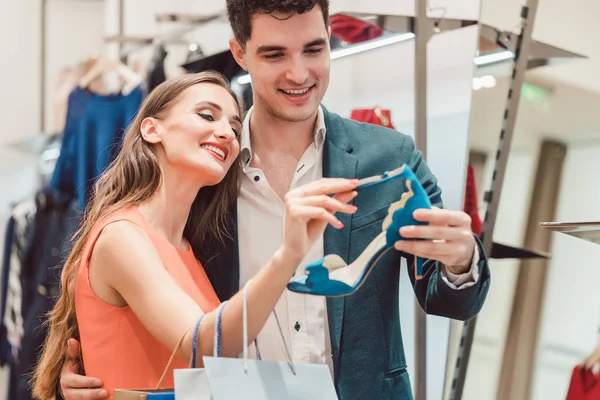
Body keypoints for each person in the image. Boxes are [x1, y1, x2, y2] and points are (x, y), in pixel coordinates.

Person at [56, 1, 492, 399]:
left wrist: (461, 259)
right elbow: (136, 300)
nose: (299, 74)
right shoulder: (204, 179)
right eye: (274, 54)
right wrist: (83, 375)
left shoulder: (390, 158)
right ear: (240, 53)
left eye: (314, 49)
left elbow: (450, 300)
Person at [30, 71, 359, 399]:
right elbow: (206, 345)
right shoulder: (122, 237)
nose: (227, 134)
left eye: (234, 127)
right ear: (152, 128)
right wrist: (289, 254)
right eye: (206, 115)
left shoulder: (190, 248)